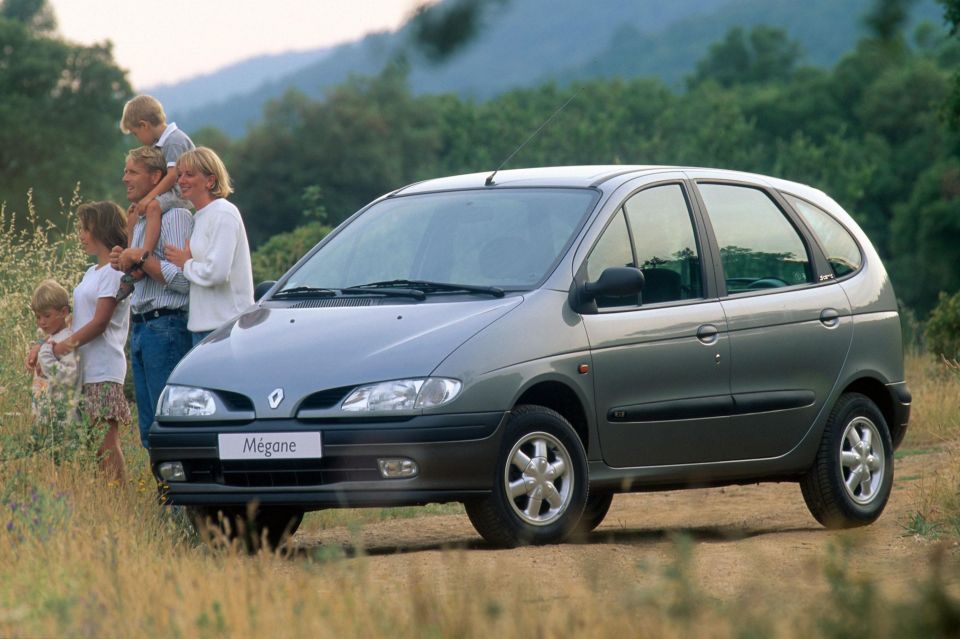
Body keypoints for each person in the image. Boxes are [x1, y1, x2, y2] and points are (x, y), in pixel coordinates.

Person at [110, 146, 193, 450]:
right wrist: (124, 259)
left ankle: (179, 497)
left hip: (166, 325)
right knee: (148, 428)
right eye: (125, 171)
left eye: (132, 172)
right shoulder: (141, 220)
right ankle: (164, 495)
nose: (124, 178)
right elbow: (139, 271)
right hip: (143, 327)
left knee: (167, 422)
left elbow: (184, 280)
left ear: (156, 176)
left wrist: (141, 258)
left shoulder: (177, 216)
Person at [52, 202, 132, 483]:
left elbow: (100, 322)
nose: (81, 235)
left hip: (103, 366)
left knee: (106, 441)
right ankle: (106, 497)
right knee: (93, 442)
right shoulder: (91, 272)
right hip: (86, 368)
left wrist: (67, 345)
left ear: (100, 229)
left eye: (85, 229)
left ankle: (119, 498)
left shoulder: (113, 271)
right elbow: (80, 318)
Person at [165, 147, 254, 345]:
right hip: (202, 328)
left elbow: (217, 272)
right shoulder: (199, 217)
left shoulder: (224, 213)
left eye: (189, 174)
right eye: (180, 175)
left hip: (225, 327)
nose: (181, 180)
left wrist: (185, 263)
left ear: (210, 180)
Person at [119, 95, 194, 274]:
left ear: (144, 125)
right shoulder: (160, 143)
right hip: (171, 192)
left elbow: (172, 176)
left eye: (136, 133)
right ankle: (130, 257)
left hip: (181, 193)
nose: (138, 138)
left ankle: (145, 255)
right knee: (134, 211)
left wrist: (148, 198)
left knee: (151, 206)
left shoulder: (174, 140)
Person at [26, 279, 82, 425]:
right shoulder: (49, 340)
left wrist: (44, 358)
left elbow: (70, 377)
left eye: (47, 315)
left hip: (62, 419)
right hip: (44, 417)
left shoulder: (67, 340)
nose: (41, 322)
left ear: (63, 312)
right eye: (38, 317)